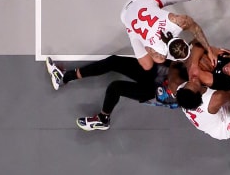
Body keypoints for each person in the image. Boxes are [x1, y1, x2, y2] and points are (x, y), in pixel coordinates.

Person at [120, 0, 216, 71]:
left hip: (139, 2)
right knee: (148, 65)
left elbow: (195, 29)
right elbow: (156, 54)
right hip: (127, 15)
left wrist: (209, 50)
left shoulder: (178, 22)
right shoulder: (158, 53)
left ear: (184, 40)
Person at [45, 56, 187, 131]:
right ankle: (64, 77)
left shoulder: (176, 90)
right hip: (160, 76)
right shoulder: (198, 73)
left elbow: (174, 67)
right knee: (114, 62)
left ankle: (102, 119)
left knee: (115, 87)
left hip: (153, 92)